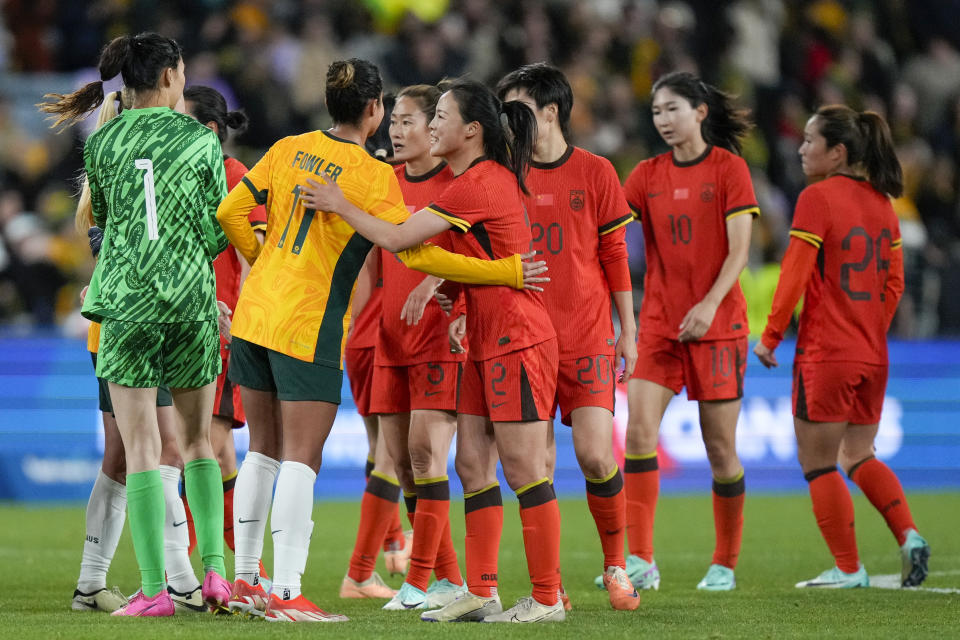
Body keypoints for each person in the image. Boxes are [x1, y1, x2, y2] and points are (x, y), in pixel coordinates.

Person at [216, 59, 547, 623]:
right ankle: (288, 589)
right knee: (301, 457)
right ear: (374, 110)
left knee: (262, 452)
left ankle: (245, 579)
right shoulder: (374, 176)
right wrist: (505, 272)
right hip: (308, 320)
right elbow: (409, 249)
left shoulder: (288, 147)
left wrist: (260, 259)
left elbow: (230, 210)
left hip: (255, 315)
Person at [302, 78, 565, 624]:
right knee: (470, 462)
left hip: (518, 337)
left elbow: (401, 243)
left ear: (471, 130)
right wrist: (457, 295)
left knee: (521, 467)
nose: (431, 124)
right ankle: (482, 589)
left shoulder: (479, 182)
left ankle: (546, 597)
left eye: (439, 115)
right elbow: (434, 260)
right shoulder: (468, 181)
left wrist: (338, 203)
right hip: (482, 338)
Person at [40, 32, 232, 617]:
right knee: (199, 445)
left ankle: (153, 590)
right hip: (191, 301)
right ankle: (215, 576)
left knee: (143, 450)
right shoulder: (201, 141)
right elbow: (216, 227)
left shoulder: (103, 141)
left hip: (125, 306)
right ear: (173, 74)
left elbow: (102, 221)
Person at [754, 105, 930, 589]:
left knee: (818, 463)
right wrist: (868, 327)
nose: (801, 148)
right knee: (859, 455)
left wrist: (771, 335)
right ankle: (909, 535)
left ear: (838, 152)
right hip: (873, 353)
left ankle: (849, 568)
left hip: (827, 352)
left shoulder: (818, 197)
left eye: (810, 140)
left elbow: (795, 272)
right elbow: (894, 285)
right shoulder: (883, 205)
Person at [496, 63, 639, 610]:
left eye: (520, 109)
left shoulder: (597, 171)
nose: (510, 121)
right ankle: (549, 586)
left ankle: (615, 564)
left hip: (586, 336)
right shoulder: (504, 174)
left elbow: (614, 254)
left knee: (597, 456)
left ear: (550, 111)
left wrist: (627, 329)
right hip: (527, 338)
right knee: (539, 467)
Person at [621, 71, 758, 592]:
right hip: (659, 325)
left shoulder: (729, 170)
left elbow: (740, 249)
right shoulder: (647, 174)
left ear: (700, 111)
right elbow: (608, 223)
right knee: (637, 434)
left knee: (719, 449)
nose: (663, 120)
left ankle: (724, 562)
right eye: (656, 112)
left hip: (718, 326)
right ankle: (641, 559)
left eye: (672, 109)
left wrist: (709, 304)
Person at [347, 84, 468, 611]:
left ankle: (421, 581)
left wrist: (440, 288)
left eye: (409, 121)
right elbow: (367, 267)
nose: (396, 131)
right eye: (392, 121)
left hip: (440, 340)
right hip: (387, 339)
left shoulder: (459, 185)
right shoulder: (384, 184)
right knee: (399, 463)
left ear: (435, 128)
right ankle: (447, 580)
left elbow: (480, 258)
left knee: (424, 456)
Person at [178, 85, 268, 573]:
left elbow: (255, 250)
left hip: (223, 331)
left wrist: (245, 316)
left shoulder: (236, 178)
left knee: (208, 448)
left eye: (182, 121)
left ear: (209, 130)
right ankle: (237, 569)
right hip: (181, 327)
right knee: (208, 451)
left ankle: (196, 568)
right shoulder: (182, 176)